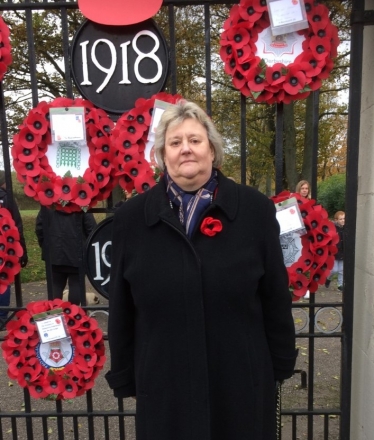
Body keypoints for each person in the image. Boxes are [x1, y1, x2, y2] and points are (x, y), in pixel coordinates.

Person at [105, 100, 297, 440]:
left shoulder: (254, 211)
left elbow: (275, 297)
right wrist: (125, 374)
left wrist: (279, 364)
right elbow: (122, 307)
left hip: (240, 379)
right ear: (163, 155)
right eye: (175, 142)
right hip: (165, 384)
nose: (186, 150)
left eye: (195, 140)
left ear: (212, 150)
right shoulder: (130, 219)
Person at [35, 207, 96, 305]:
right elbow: (91, 229)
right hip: (77, 253)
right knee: (76, 284)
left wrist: (46, 246)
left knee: (56, 285)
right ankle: (73, 315)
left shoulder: (49, 202)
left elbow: (39, 228)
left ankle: (56, 316)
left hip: (54, 253)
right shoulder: (80, 203)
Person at [0, 171, 28, 327]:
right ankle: (2, 316)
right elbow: (17, 225)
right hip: (6, 246)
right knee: (4, 279)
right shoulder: (7, 198)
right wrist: (22, 250)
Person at [325, 210, 345, 292]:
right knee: (334, 269)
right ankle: (328, 278)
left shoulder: (346, 228)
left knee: (341, 270)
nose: (343, 220)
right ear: (336, 220)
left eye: (344, 218)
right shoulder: (333, 228)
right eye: (341, 219)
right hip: (335, 252)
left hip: (343, 252)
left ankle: (340, 285)